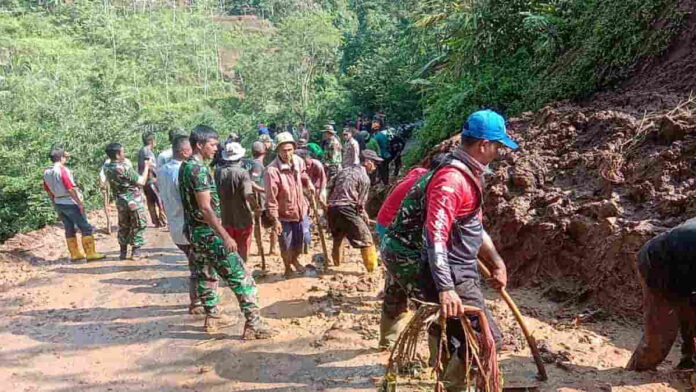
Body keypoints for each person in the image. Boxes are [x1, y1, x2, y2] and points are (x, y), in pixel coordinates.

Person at [380, 110, 517, 383]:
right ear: (483, 145)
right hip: (427, 260)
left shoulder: (470, 174)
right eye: (498, 145)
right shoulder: (450, 181)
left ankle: (443, 360)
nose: (500, 152)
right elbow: (435, 236)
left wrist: (497, 263)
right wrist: (445, 288)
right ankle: (449, 381)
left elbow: (474, 227)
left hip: (452, 262)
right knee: (485, 338)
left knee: (465, 330)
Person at [178, 125, 275, 338]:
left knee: (205, 275)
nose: (215, 149)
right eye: (212, 145)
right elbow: (205, 208)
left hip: (195, 233)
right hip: (209, 233)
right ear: (199, 145)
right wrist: (225, 235)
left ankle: (212, 317)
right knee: (242, 277)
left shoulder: (184, 167)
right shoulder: (199, 170)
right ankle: (253, 324)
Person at [375, 154, 446, 348]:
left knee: (394, 290)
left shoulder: (419, 177)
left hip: (391, 237)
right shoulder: (434, 188)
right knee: (432, 303)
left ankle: (387, 342)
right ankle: (438, 362)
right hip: (403, 245)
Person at [157, 135, 218, 315]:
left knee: (196, 265)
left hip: (175, 227)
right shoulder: (185, 171)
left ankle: (197, 302)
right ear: (185, 151)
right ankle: (208, 309)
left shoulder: (162, 170)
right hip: (190, 226)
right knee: (205, 268)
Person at [626, 219, 696, 371]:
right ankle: (635, 373)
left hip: (685, 266)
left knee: (692, 313)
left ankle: (689, 362)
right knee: (659, 338)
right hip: (658, 264)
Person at [264, 132, 315, 277]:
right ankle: (287, 267)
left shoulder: (298, 161)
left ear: (294, 148)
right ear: (277, 150)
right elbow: (271, 199)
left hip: (300, 210)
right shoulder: (272, 171)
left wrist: (308, 182)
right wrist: (275, 220)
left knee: (302, 240)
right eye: (283, 150)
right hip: (284, 214)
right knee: (286, 244)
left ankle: (295, 259)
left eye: (290, 149)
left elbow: (303, 174)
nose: (287, 153)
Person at [43, 147, 105, 262]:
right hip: (70, 202)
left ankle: (75, 254)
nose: (65, 159)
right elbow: (70, 188)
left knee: (69, 228)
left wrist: (55, 205)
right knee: (85, 227)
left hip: (58, 202)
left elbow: (48, 190)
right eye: (65, 157)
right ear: (61, 158)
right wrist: (79, 203)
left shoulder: (46, 171)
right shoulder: (62, 170)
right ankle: (90, 253)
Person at [327, 150, 382, 273]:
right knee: (366, 238)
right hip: (347, 208)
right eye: (374, 163)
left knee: (338, 237)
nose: (375, 166)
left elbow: (329, 186)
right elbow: (360, 203)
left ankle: (336, 264)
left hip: (332, 208)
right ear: (367, 162)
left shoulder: (344, 170)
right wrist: (362, 215)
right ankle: (372, 271)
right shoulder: (364, 178)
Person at [104, 142, 151, 260]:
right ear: (118, 154)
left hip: (120, 201)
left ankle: (123, 252)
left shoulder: (107, 168)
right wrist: (146, 167)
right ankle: (136, 252)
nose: (124, 154)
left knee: (124, 226)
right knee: (139, 225)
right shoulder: (124, 167)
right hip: (133, 200)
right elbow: (141, 181)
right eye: (123, 151)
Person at [214, 142, 259, 262]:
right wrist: (256, 207)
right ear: (240, 157)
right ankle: (243, 269)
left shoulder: (218, 172)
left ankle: (233, 269)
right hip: (242, 217)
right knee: (243, 245)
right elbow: (248, 195)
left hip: (226, 217)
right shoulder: (242, 173)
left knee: (229, 246)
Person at [138, 131, 167, 228]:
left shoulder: (141, 151)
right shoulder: (147, 151)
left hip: (146, 181)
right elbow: (149, 165)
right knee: (159, 201)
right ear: (152, 141)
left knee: (151, 202)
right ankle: (162, 221)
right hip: (151, 180)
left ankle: (156, 221)